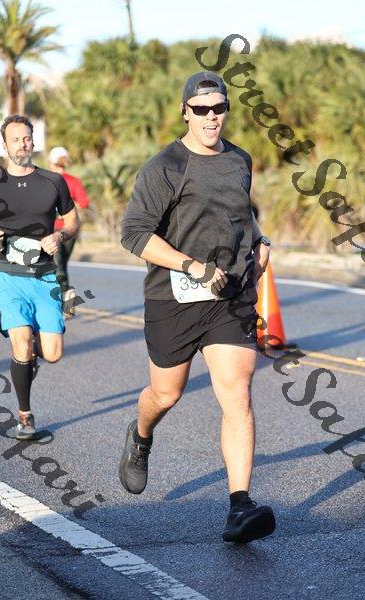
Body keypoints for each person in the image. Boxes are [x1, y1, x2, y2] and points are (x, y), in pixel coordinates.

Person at [119, 71, 275, 544]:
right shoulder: (165, 165)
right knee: (166, 394)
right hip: (176, 298)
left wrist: (261, 241)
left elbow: (241, 213)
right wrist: (191, 266)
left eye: (219, 108)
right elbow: (134, 234)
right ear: (185, 111)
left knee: (238, 393)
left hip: (230, 297)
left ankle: (240, 507)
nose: (212, 117)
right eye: (202, 109)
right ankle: (141, 436)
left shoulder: (240, 159)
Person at [0, 115, 79, 440]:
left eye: (27, 138)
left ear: (33, 141)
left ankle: (28, 356)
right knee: (20, 339)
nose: (22, 144)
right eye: (15, 139)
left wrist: (60, 236)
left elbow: (72, 220)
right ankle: (25, 416)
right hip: (8, 274)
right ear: (5, 145)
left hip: (44, 275)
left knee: (54, 352)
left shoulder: (53, 182)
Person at [49, 146, 91, 317]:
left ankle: (66, 299)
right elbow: (84, 203)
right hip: (72, 230)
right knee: (61, 264)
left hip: (55, 231)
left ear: (51, 162)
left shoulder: (47, 181)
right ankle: (66, 298)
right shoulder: (73, 181)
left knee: (58, 266)